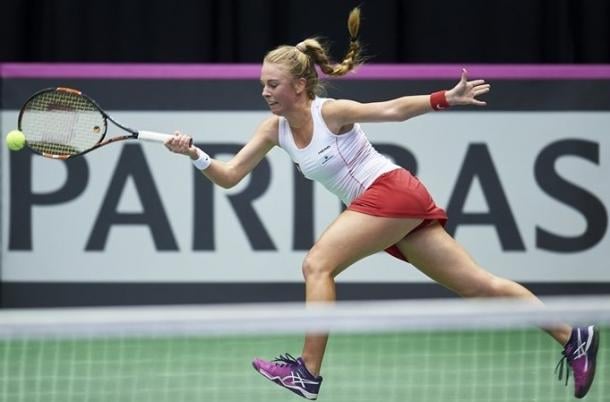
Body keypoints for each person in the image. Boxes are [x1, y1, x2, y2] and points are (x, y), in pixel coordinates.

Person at [164, 7, 599, 400]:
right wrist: (194, 154)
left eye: (272, 84)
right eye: (262, 84)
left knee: (317, 265)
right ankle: (572, 335)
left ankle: (306, 373)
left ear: (299, 85)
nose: (265, 92)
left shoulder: (330, 113)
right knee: (478, 285)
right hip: (389, 206)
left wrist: (445, 98)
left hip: (390, 190)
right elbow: (230, 177)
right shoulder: (271, 129)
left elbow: (391, 110)